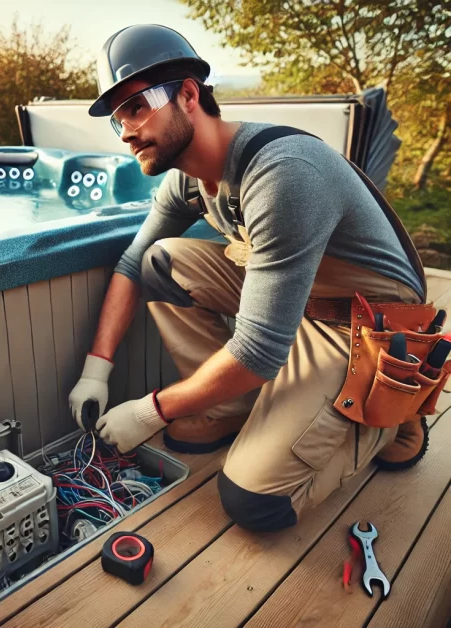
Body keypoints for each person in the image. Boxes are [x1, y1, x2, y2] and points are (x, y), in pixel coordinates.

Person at [68, 24, 433, 532]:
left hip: (365, 324)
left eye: (137, 106)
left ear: (189, 95)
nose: (127, 129)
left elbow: (259, 352)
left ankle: (395, 410)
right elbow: (132, 261)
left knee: (253, 503)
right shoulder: (188, 181)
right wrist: (95, 371)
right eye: (117, 118)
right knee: (160, 260)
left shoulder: (283, 173)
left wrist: (152, 411)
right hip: (296, 304)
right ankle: (232, 407)